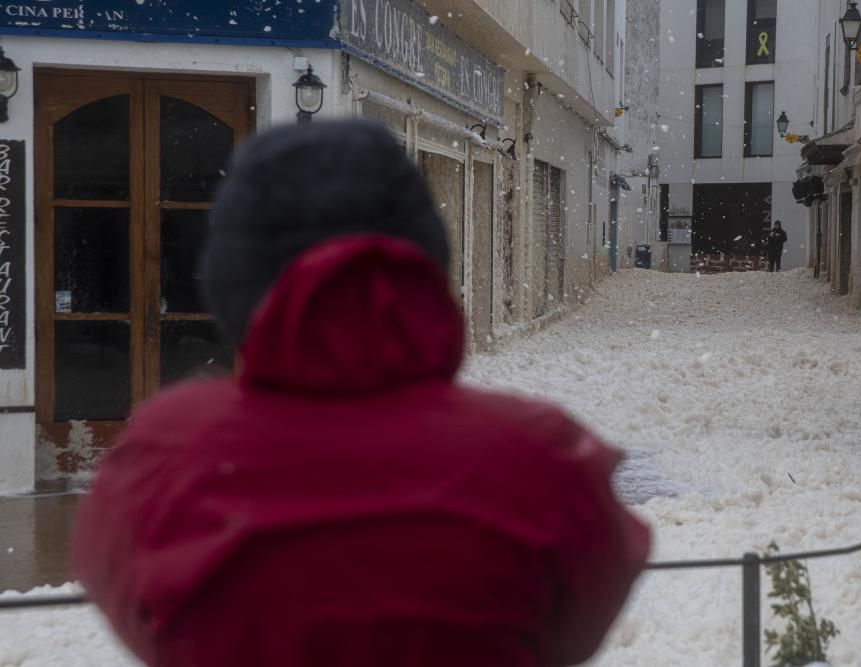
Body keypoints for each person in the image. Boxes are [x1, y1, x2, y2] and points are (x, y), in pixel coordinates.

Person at [72, 120, 651, 667]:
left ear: (231, 282)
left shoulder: (162, 459)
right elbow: (579, 617)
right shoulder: (544, 460)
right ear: (428, 262)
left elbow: (138, 613)